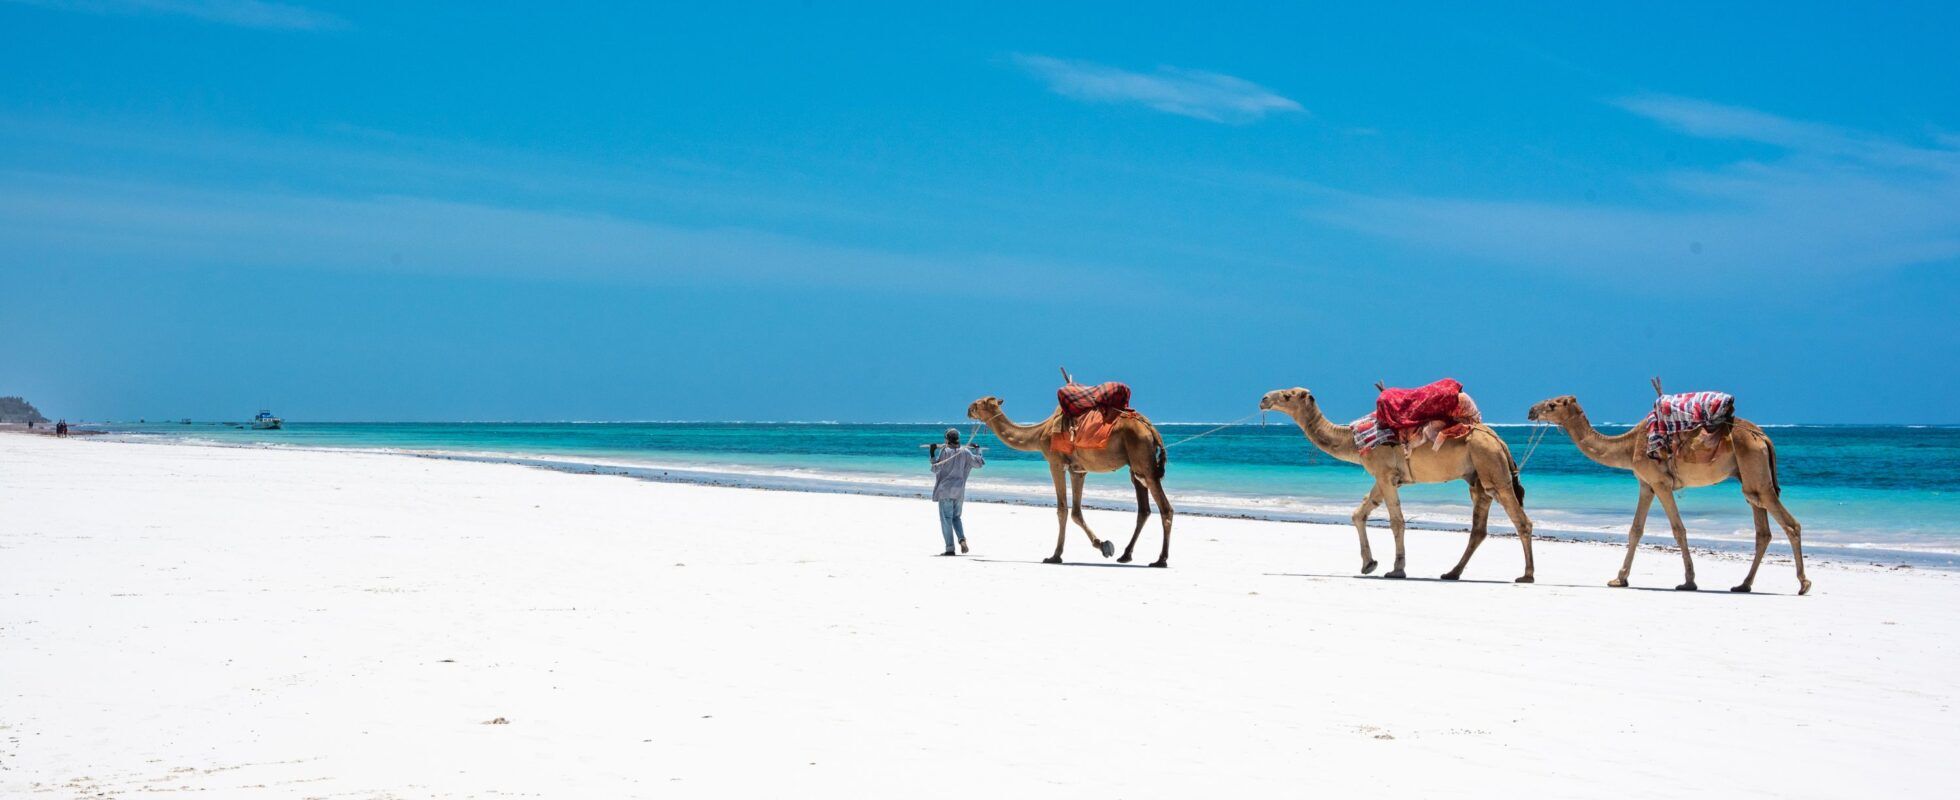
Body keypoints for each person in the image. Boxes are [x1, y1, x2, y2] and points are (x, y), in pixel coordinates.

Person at [928, 428, 984, 556]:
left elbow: (936, 467)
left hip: (945, 490)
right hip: (959, 491)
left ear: (947, 439)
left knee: (946, 519)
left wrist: (932, 452)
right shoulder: (966, 451)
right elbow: (979, 463)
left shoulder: (945, 451)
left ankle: (950, 548)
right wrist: (978, 450)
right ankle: (962, 539)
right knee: (956, 517)